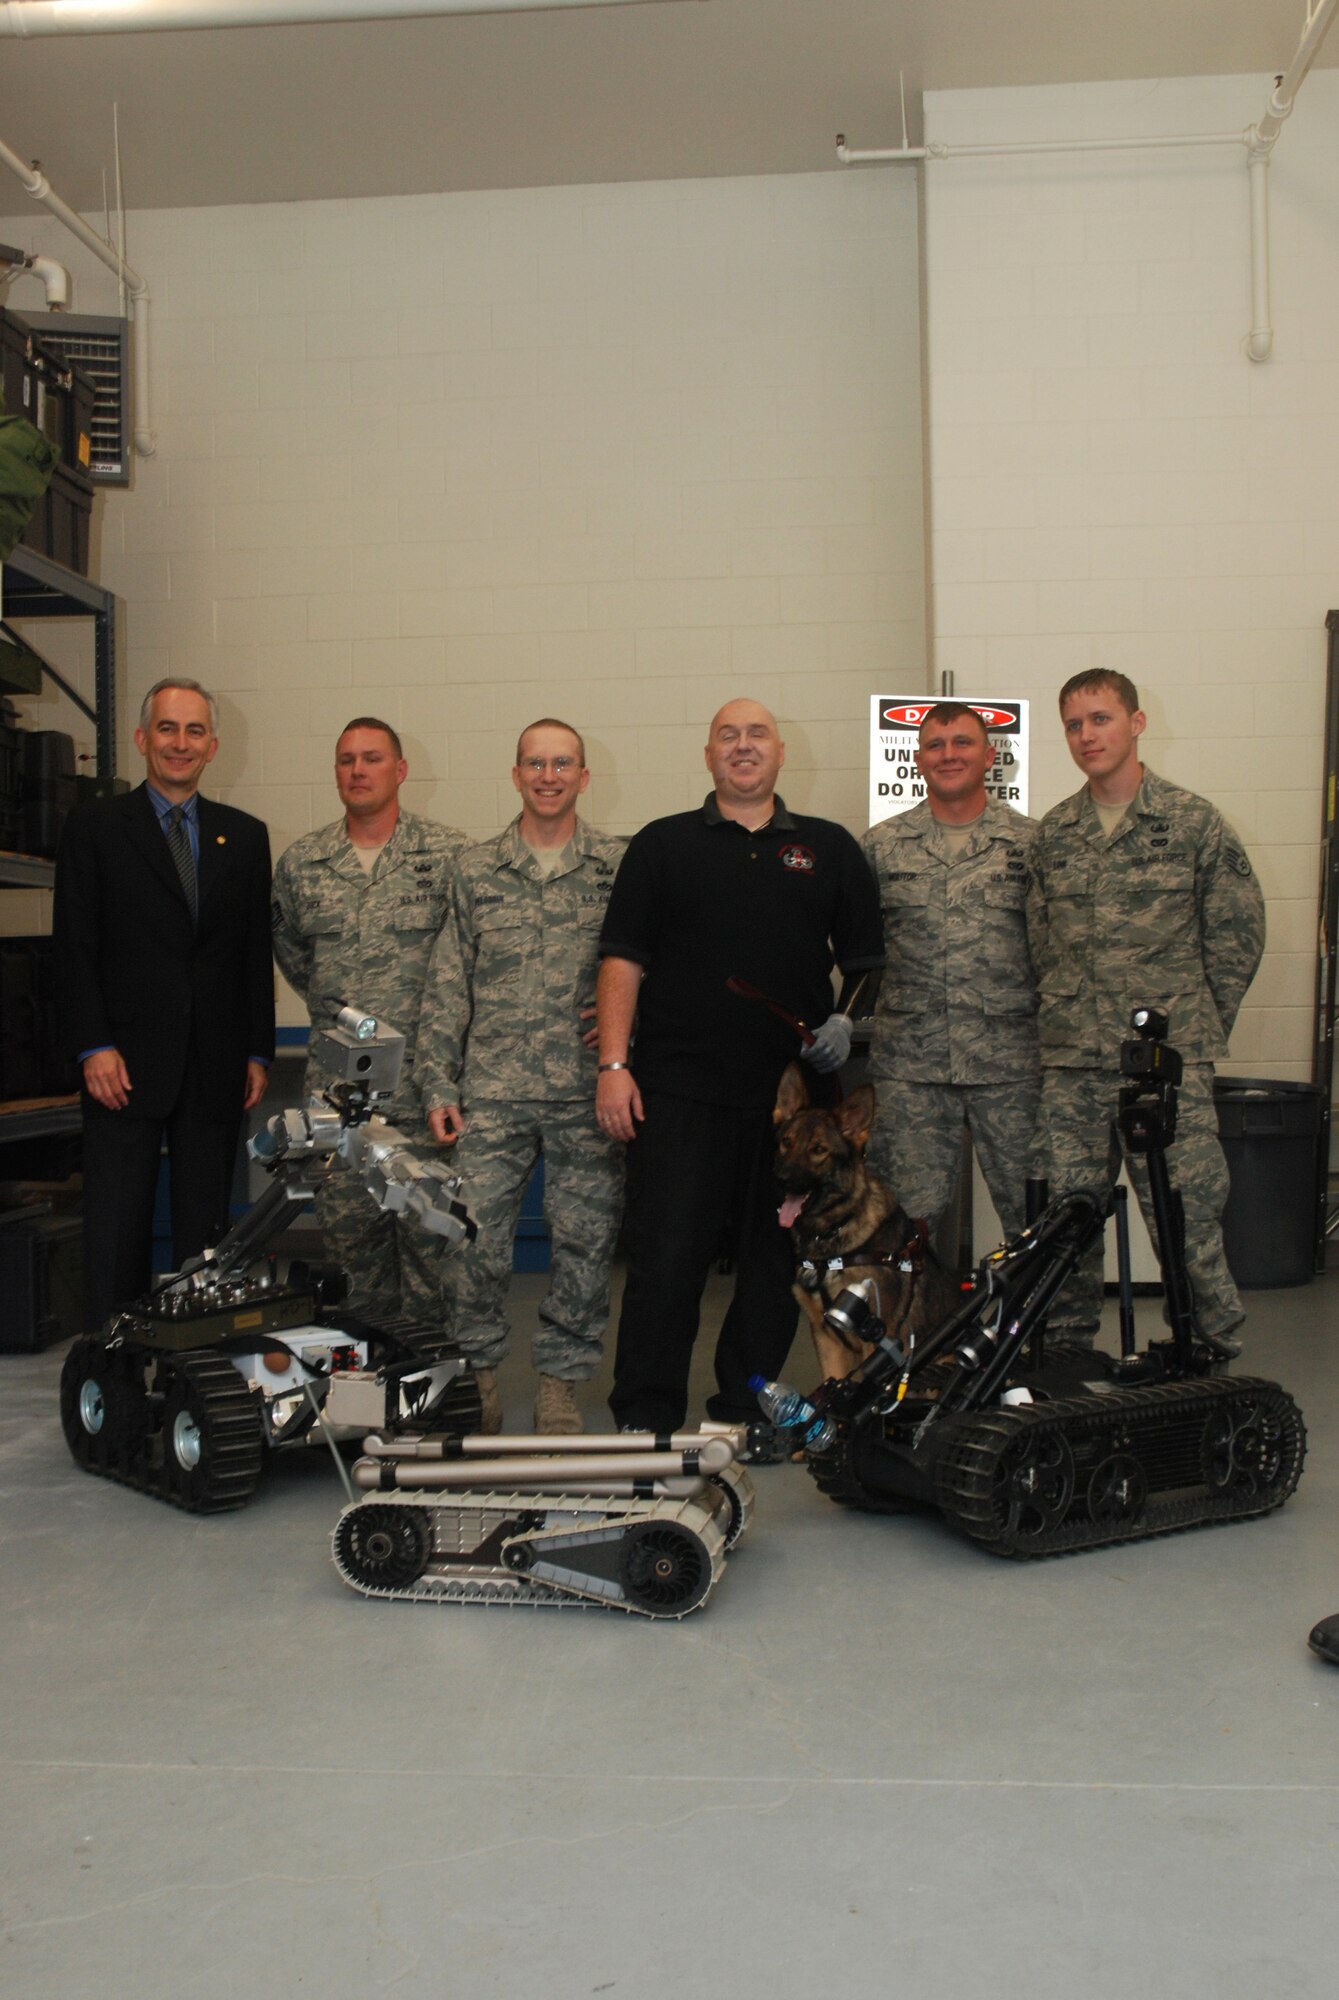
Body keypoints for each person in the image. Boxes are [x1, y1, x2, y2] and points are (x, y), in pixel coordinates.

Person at [596, 697, 884, 1435]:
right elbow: (622, 961)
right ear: (708, 755)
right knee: (665, 1259)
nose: (743, 746)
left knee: (770, 1264)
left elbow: (863, 962)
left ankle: (741, 1406)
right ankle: (645, 1413)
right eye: (728, 735)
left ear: (781, 753)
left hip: (791, 1107)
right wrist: (613, 1064)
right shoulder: (661, 846)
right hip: (677, 1090)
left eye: (757, 735)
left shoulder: (828, 848)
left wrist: (844, 1022)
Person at [1028, 669, 1265, 1355]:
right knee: (1065, 1221)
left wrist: (1192, 1025)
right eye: (1073, 724)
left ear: (1134, 723)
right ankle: (1066, 1357)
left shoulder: (1191, 823)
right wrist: (1069, 1014)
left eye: (1099, 719)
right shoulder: (1053, 835)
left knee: (1185, 1218)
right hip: (1073, 1064)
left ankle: (1213, 1353)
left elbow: (1236, 935)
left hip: (1163, 1067)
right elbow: (1040, 940)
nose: (1085, 736)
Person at [419, 720, 625, 1434]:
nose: (547, 775)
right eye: (534, 763)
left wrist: (631, 1045)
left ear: (583, 776)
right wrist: (438, 1085)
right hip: (491, 1095)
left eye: (562, 763)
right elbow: (448, 986)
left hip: (583, 1093)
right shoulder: (474, 871)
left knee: (584, 1245)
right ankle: (476, 1378)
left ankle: (559, 1387)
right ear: (515, 775)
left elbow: (642, 969)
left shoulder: (615, 867)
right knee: (471, 1243)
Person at [52, 677, 275, 1331]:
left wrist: (257, 1050)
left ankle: (195, 1373)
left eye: (195, 731)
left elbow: (249, 953)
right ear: (143, 738)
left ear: (213, 746)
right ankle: (112, 1380)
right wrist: (93, 1045)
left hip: (214, 1066)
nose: (182, 743)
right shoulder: (94, 828)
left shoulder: (244, 836)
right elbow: (73, 947)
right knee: (117, 1233)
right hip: (120, 1065)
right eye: (170, 729)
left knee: (204, 1243)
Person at [271, 718, 466, 1332]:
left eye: (373, 758)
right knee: (355, 1264)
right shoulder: (304, 863)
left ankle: (438, 1392)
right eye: (346, 760)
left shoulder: (449, 856)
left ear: (400, 770)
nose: (358, 770)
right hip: (340, 1103)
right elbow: (296, 958)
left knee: (435, 1259)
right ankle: (369, 1401)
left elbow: (468, 963)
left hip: (423, 1093)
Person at [861, 702, 1040, 1245]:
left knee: (1039, 1222)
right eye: (935, 745)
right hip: (911, 1070)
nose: (948, 755)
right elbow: (855, 948)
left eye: (962, 742)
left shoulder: (1033, 844)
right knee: (903, 1229)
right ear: (918, 760)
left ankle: (1052, 1334)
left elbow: (1060, 950)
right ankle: (907, 1334)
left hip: (1012, 1065)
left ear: (989, 755)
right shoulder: (880, 846)